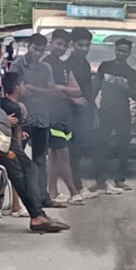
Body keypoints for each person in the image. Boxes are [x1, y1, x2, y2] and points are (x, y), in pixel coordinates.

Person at [0, 72, 67, 234]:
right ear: (17, 87)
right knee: (28, 172)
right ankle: (37, 215)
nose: (26, 88)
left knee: (27, 173)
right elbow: (17, 134)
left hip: (4, 143)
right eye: (24, 85)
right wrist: (18, 153)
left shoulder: (4, 104)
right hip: (9, 145)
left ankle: (38, 213)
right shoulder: (14, 107)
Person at [12, 33, 60, 208]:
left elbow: (52, 91)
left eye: (41, 50)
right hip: (22, 119)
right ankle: (17, 202)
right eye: (35, 49)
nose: (38, 53)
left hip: (42, 118)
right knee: (17, 160)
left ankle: (43, 197)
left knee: (41, 160)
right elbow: (18, 91)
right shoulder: (18, 64)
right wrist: (39, 91)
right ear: (28, 47)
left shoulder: (46, 67)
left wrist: (34, 89)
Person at [92, 37, 136, 195]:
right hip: (105, 111)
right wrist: (91, 104)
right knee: (101, 145)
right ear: (115, 50)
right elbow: (96, 86)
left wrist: (126, 88)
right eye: (119, 50)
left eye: (125, 51)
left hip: (122, 113)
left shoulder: (132, 73)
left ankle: (120, 180)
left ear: (129, 53)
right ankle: (100, 180)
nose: (121, 54)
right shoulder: (105, 66)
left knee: (123, 147)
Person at [46, 28, 87, 204]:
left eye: (64, 45)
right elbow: (48, 89)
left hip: (64, 116)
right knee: (62, 154)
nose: (61, 48)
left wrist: (61, 89)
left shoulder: (64, 65)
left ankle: (53, 192)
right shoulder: (45, 64)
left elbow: (77, 90)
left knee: (55, 157)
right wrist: (68, 93)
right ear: (51, 43)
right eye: (58, 44)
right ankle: (73, 191)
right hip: (51, 115)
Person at [61, 28, 99, 197]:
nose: (84, 49)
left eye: (87, 45)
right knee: (72, 153)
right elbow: (64, 91)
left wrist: (93, 111)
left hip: (85, 113)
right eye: (80, 45)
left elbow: (89, 90)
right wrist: (73, 100)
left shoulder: (85, 64)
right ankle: (76, 187)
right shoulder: (67, 65)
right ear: (72, 45)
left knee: (80, 150)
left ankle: (79, 186)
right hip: (71, 114)